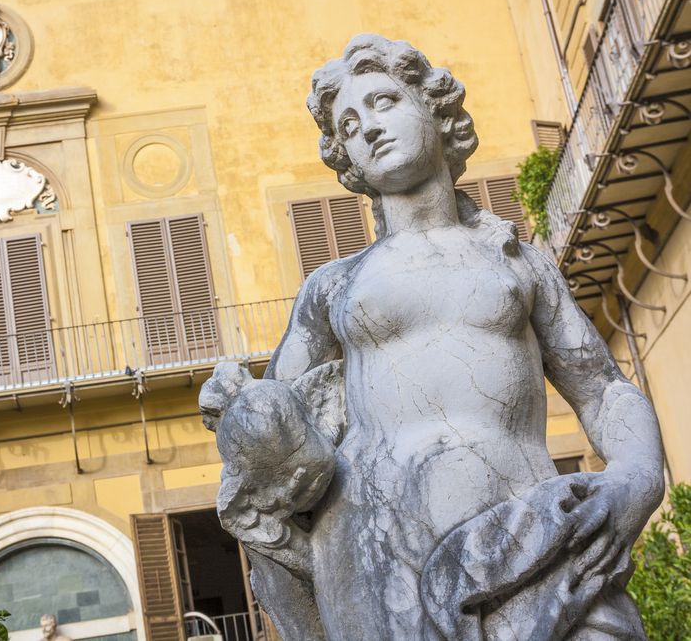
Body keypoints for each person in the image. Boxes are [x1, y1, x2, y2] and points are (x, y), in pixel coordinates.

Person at [203, 35, 664, 640]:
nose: (367, 128)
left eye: (383, 102)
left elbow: (601, 389)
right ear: (347, 159)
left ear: (437, 112)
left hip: (528, 526)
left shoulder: (520, 265)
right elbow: (284, 431)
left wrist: (638, 475)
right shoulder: (333, 288)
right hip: (376, 550)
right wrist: (240, 413)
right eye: (348, 125)